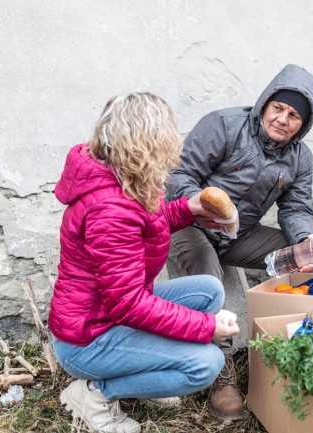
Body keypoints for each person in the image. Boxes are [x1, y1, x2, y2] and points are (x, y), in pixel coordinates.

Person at [166, 63, 313, 419]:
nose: (283, 119)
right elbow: (181, 173)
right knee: (207, 274)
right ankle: (222, 372)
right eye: (278, 108)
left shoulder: (300, 157)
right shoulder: (224, 125)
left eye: (294, 115)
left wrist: (305, 241)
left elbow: (295, 209)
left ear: (303, 123)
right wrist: (200, 206)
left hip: (239, 234)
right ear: (265, 103)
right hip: (188, 226)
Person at [49, 92, 240, 433]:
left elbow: (142, 226)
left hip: (105, 318)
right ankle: (95, 395)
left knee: (208, 290)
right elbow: (127, 305)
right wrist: (206, 328)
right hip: (88, 340)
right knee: (204, 364)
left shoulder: (119, 180)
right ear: (143, 146)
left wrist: (187, 208)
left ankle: (146, 374)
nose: (171, 149)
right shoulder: (110, 210)